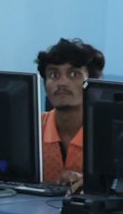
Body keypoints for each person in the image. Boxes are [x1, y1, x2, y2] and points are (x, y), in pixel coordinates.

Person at [36, 37, 105, 191]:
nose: (62, 82)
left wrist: (93, 184)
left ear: (93, 83)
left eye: (74, 74)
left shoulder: (107, 135)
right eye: (54, 75)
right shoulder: (31, 130)